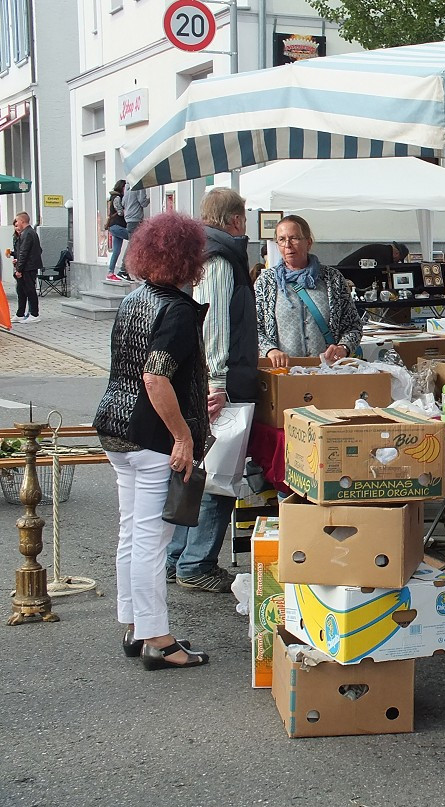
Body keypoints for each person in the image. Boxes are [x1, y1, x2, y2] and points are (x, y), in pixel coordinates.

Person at [92, 211, 212, 671]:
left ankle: (135, 626)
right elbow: (155, 375)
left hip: (116, 427)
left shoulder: (135, 297)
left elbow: (146, 370)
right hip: (149, 436)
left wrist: (195, 403)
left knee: (132, 533)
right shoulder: (177, 310)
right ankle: (158, 640)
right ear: (189, 259)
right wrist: (183, 434)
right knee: (151, 540)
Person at [166, 188, 257, 593]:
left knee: (198, 470)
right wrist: (216, 381)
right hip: (218, 381)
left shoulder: (208, 252)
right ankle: (195, 562)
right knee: (217, 474)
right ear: (236, 219)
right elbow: (214, 322)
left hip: (206, 378)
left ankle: (178, 558)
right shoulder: (219, 258)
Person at [255, 215, 364, 366]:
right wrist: (269, 350)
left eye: (294, 238)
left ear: (308, 242)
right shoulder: (266, 282)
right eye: (281, 239)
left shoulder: (332, 279)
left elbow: (353, 326)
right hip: (282, 374)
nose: (288, 245)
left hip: (326, 372)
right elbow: (254, 328)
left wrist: (343, 348)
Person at [13, 212, 43, 323]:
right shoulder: (26, 233)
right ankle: (20, 313)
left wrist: (19, 269)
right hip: (26, 265)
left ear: (22, 221)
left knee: (30, 290)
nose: (16, 223)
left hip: (28, 267)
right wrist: (18, 262)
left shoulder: (28, 233)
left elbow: (24, 252)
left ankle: (34, 314)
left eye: (17, 221)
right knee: (21, 290)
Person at [118, 185, 150, 280]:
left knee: (134, 244)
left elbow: (123, 202)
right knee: (133, 245)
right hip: (136, 219)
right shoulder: (139, 186)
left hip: (129, 219)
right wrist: (150, 199)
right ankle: (123, 270)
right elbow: (143, 202)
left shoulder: (127, 188)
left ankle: (128, 270)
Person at [105, 180, 129, 282]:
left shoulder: (113, 197)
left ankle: (110, 273)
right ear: (121, 187)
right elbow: (119, 212)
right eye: (125, 187)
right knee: (135, 239)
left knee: (116, 251)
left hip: (114, 227)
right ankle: (123, 270)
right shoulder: (117, 197)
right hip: (116, 226)